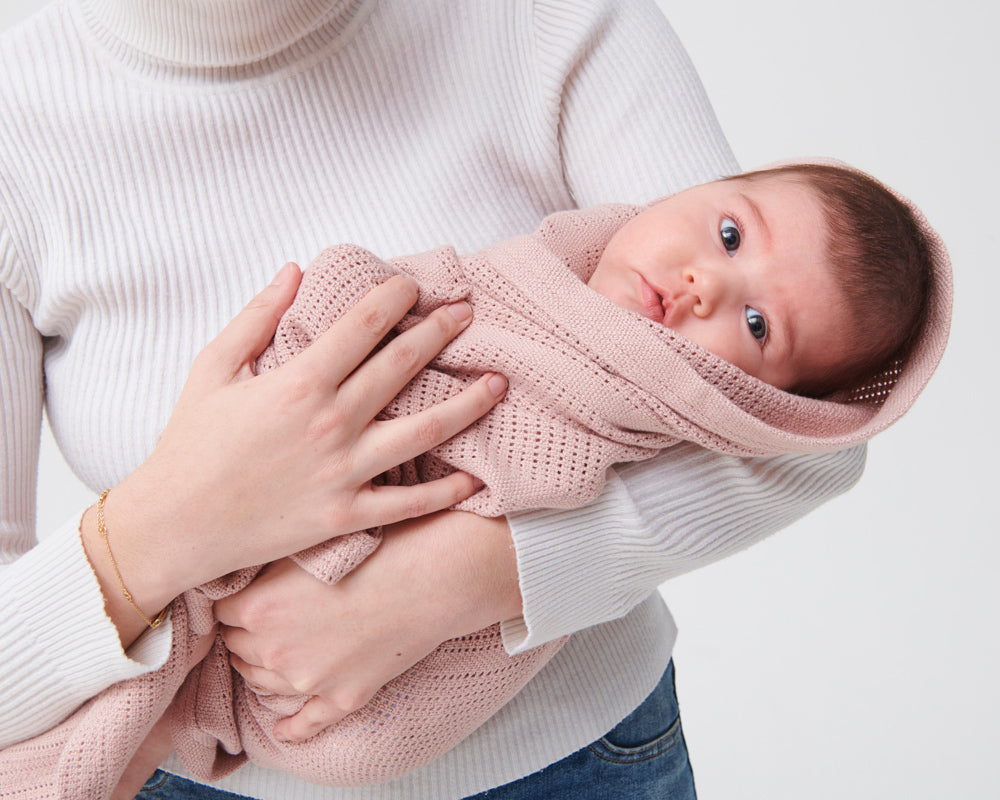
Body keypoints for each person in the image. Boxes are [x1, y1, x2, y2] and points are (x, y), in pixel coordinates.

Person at [0, 2, 890, 799]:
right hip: (189, 775)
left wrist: (463, 579)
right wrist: (173, 521)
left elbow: (802, 423)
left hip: (580, 764)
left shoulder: (545, 19)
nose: (709, 284)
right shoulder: (15, 126)